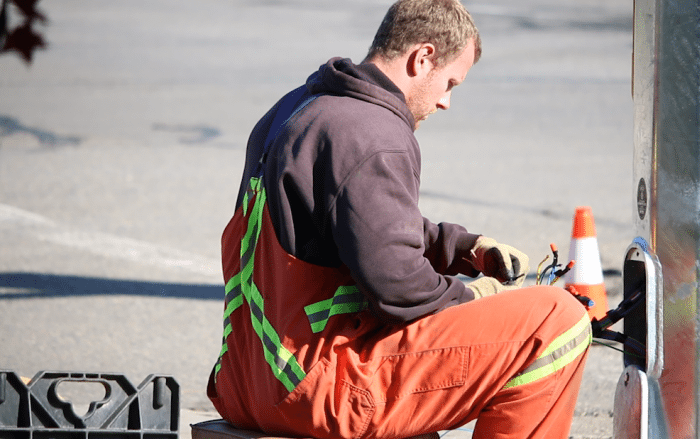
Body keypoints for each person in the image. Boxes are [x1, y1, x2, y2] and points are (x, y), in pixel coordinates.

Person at [206, 1, 591, 438]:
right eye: (449, 83)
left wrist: (464, 247)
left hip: (244, 384)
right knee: (556, 320)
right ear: (422, 57)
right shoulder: (373, 132)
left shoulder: (298, 109)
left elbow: (356, 224)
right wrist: (474, 296)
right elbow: (399, 287)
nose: (446, 101)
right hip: (318, 390)